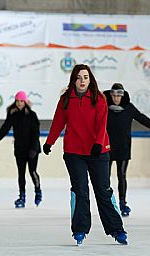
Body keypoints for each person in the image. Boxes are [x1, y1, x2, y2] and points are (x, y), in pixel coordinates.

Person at [43, 64, 127, 245]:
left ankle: (116, 229)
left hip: (98, 151)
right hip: (74, 152)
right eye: (79, 77)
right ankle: (80, 229)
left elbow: (101, 124)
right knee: (80, 190)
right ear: (73, 79)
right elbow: (58, 122)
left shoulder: (99, 99)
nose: (82, 81)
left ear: (91, 79)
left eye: (86, 77)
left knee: (103, 191)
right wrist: (50, 142)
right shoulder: (66, 99)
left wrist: (98, 143)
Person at [104, 83, 150, 217]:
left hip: (123, 147)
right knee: (105, 178)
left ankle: (122, 202)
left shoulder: (129, 108)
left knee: (122, 176)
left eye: (118, 96)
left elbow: (144, 120)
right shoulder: (104, 107)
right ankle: (107, 203)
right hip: (107, 146)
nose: (116, 98)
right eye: (113, 95)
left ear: (122, 96)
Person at [0, 91, 42, 208]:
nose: (19, 103)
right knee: (21, 174)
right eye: (17, 101)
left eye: (21, 101)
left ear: (25, 102)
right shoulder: (13, 115)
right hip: (20, 149)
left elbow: (36, 134)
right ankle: (22, 197)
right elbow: (4, 129)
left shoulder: (32, 115)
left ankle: (38, 191)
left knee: (32, 171)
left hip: (32, 149)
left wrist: (34, 148)